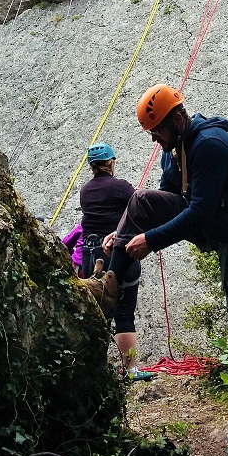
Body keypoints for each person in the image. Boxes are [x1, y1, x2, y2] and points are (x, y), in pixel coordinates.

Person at [86, 85, 228, 456]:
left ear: (175, 118)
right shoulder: (175, 152)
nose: (154, 139)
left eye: (156, 130)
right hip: (219, 229)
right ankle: (109, 284)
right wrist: (122, 233)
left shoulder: (210, 146)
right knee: (139, 200)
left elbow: (199, 212)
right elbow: (157, 201)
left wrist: (150, 240)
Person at [80, 142, 155, 382]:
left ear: (92, 166)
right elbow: (138, 208)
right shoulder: (122, 187)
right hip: (118, 253)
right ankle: (131, 369)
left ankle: (93, 370)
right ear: (111, 162)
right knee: (124, 312)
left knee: (96, 313)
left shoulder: (85, 191)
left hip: (90, 256)